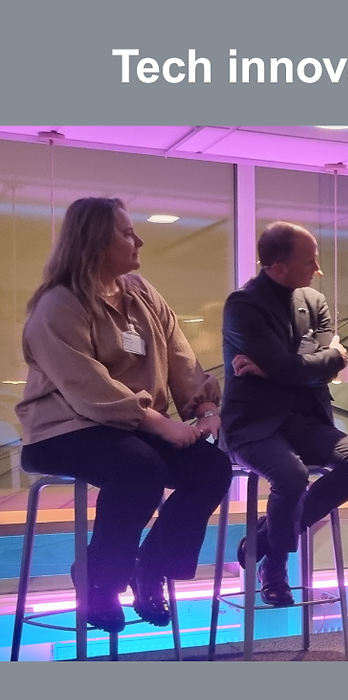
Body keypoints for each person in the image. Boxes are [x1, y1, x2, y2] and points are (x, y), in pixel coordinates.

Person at [16, 197, 231, 633]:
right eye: (127, 233)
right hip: (64, 429)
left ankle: (150, 568)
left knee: (211, 467)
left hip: (132, 428)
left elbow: (180, 357)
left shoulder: (141, 292)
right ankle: (99, 583)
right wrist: (162, 424)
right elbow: (89, 388)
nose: (139, 240)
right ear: (95, 241)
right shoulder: (58, 305)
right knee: (139, 467)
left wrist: (205, 406)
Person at [221, 222, 348, 606]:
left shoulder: (314, 301)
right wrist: (296, 365)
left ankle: (266, 537)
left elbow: (333, 367)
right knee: (290, 475)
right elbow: (301, 365)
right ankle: (275, 564)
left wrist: (281, 367)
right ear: (277, 267)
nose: (318, 269)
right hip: (255, 426)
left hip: (307, 420)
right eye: (310, 261)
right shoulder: (242, 305)